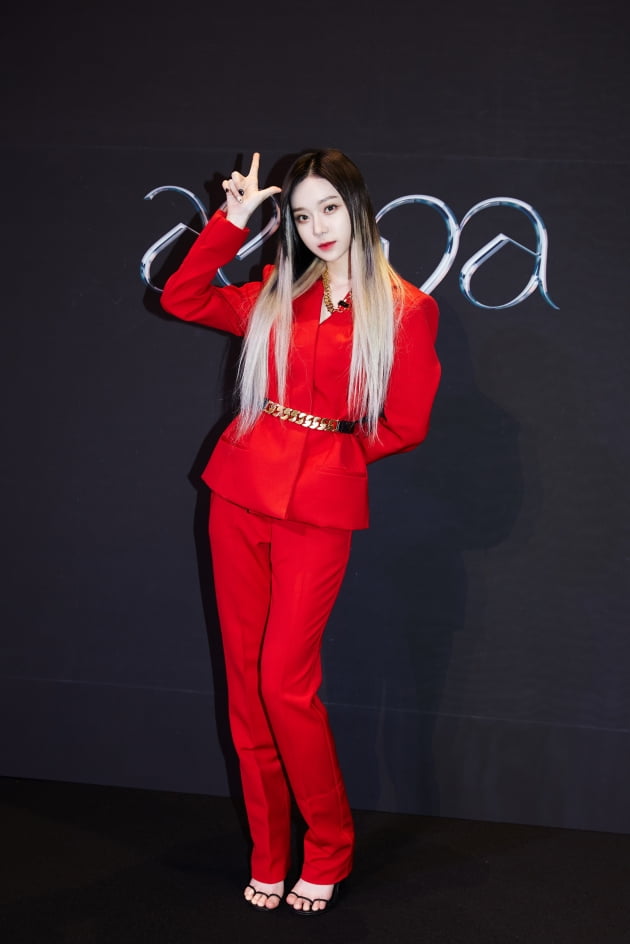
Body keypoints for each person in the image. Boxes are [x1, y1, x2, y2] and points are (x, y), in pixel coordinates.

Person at [160, 149, 441, 914]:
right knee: (246, 690)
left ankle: (329, 846)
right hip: (237, 495)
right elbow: (182, 296)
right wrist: (231, 223)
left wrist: (332, 452)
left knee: (286, 685)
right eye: (304, 213)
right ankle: (268, 853)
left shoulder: (406, 308)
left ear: (357, 207)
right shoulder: (276, 292)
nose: (318, 226)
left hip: (317, 511)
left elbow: (406, 424)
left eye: (330, 208)